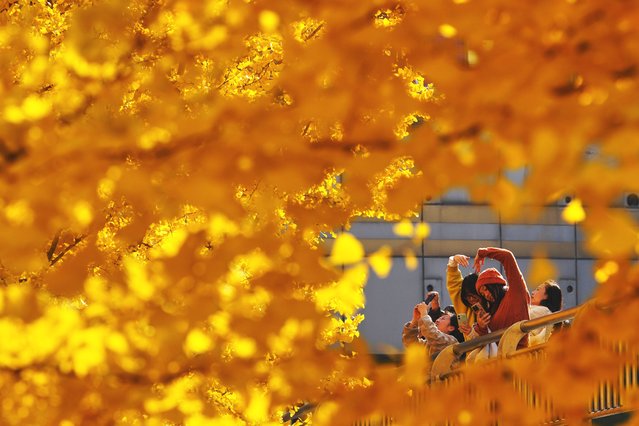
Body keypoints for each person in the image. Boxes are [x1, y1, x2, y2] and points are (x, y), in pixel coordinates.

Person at [473, 247, 531, 348]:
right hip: (499, 359)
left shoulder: (515, 292)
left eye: (486, 289)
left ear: (495, 284)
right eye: (482, 294)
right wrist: (481, 326)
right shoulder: (491, 311)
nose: (486, 295)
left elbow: (507, 256)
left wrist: (483, 252)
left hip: (520, 356)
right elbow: (488, 343)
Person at [445, 254, 491, 341]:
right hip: (471, 353)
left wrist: (474, 331)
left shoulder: (494, 304)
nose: (471, 299)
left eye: (473, 296)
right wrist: (453, 261)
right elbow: (453, 285)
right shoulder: (463, 305)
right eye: (467, 297)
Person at [528, 280, 563, 345]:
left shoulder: (544, 311)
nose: (532, 292)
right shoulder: (542, 311)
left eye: (538, 290)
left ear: (546, 296)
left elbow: (519, 318)